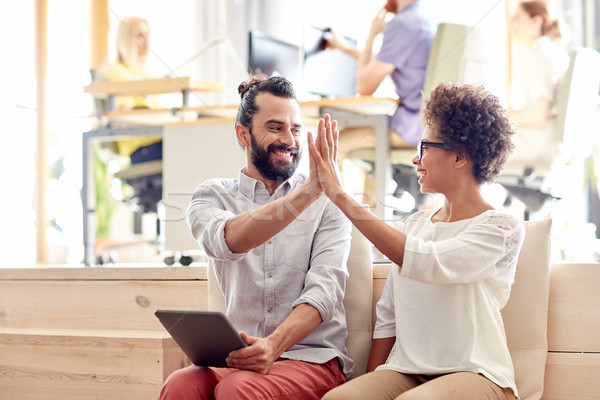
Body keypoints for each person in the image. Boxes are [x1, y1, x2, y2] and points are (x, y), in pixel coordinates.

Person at [309, 83, 525, 400]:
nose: (415, 158)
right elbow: (389, 317)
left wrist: (340, 195)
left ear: (460, 157)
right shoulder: (417, 224)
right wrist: (371, 384)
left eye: (425, 147)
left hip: (477, 374)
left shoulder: (500, 227)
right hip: (407, 372)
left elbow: (430, 262)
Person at [159, 75, 353, 399]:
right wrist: (306, 194)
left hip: (312, 358)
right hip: (241, 358)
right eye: (275, 128)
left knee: (237, 388)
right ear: (243, 134)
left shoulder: (328, 201)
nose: (289, 140)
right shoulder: (211, 196)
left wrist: (273, 346)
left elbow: (324, 293)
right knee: (180, 384)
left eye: (295, 129)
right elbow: (228, 241)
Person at [325, 0, 436, 156]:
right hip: (429, 129)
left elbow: (363, 87)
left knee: (329, 145)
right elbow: (379, 62)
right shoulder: (425, 22)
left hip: (410, 131)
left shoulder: (403, 24)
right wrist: (344, 47)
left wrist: (372, 34)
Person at [506, 1, 569, 167]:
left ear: (536, 21)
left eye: (517, 18)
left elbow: (539, 114)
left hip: (539, 143)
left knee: (474, 141)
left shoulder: (541, 56)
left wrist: (503, 117)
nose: (511, 24)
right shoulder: (552, 52)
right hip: (549, 141)